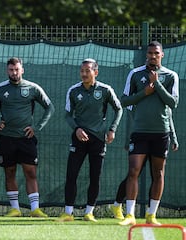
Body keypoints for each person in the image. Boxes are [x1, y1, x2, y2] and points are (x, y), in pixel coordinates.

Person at [0, 57, 54, 217]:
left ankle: (35, 209)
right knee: (10, 172)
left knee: (31, 172)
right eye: (11, 70)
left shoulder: (33, 88)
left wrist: (37, 127)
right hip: (7, 138)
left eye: (16, 69)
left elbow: (49, 107)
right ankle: (15, 209)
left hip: (26, 138)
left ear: (22, 70)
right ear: (7, 71)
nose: (14, 73)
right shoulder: (0, 89)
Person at [118, 41, 179, 226]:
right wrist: (144, 92)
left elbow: (173, 103)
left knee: (158, 173)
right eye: (150, 53)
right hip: (140, 131)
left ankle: (151, 215)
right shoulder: (135, 74)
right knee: (133, 170)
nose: (152, 56)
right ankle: (130, 214)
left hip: (161, 131)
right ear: (146, 55)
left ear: (162, 55)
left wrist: (157, 85)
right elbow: (124, 101)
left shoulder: (171, 76)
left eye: (156, 53)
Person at [59, 58, 123, 222]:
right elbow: (67, 115)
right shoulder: (73, 91)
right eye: (82, 71)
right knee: (71, 174)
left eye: (88, 71)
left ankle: (89, 212)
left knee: (95, 176)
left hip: (98, 140)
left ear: (96, 72)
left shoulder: (105, 90)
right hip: (78, 138)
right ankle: (68, 213)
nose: (84, 74)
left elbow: (118, 109)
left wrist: (112, 129)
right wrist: (77, 129)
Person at [110, 107, 178, 220]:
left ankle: (151, 213)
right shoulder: (139, 96)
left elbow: (168, 116)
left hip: (159, 138)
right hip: (140, 136)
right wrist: (128, 139)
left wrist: (173, 137)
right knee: (133, 173)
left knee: (157, 174)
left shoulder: (162, 96)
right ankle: (117, 205)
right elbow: (130, 117)